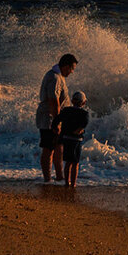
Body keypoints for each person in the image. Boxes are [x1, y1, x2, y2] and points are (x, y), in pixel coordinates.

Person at [36, 53, 77, 182]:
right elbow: (54, 101)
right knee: (48, 148)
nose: (72, 72)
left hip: (53, 118)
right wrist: (56, 122)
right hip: (49, 118)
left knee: (58, 148)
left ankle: (59, 177)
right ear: (65, 66)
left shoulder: (57, 76)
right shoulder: (54, 78)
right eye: (71, 69)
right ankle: (47, 179)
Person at [52, 90, 90, 187]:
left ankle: (66, 183)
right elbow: (85, 123)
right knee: (75, 163)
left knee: (68, 162)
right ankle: (73, 183)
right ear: (84, 102)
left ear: (72, 101)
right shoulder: (84, 113)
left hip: (66, 138)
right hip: (77, 140)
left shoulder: (66, 110)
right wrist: (79, 129)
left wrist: (55, 128)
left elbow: (56, 119)